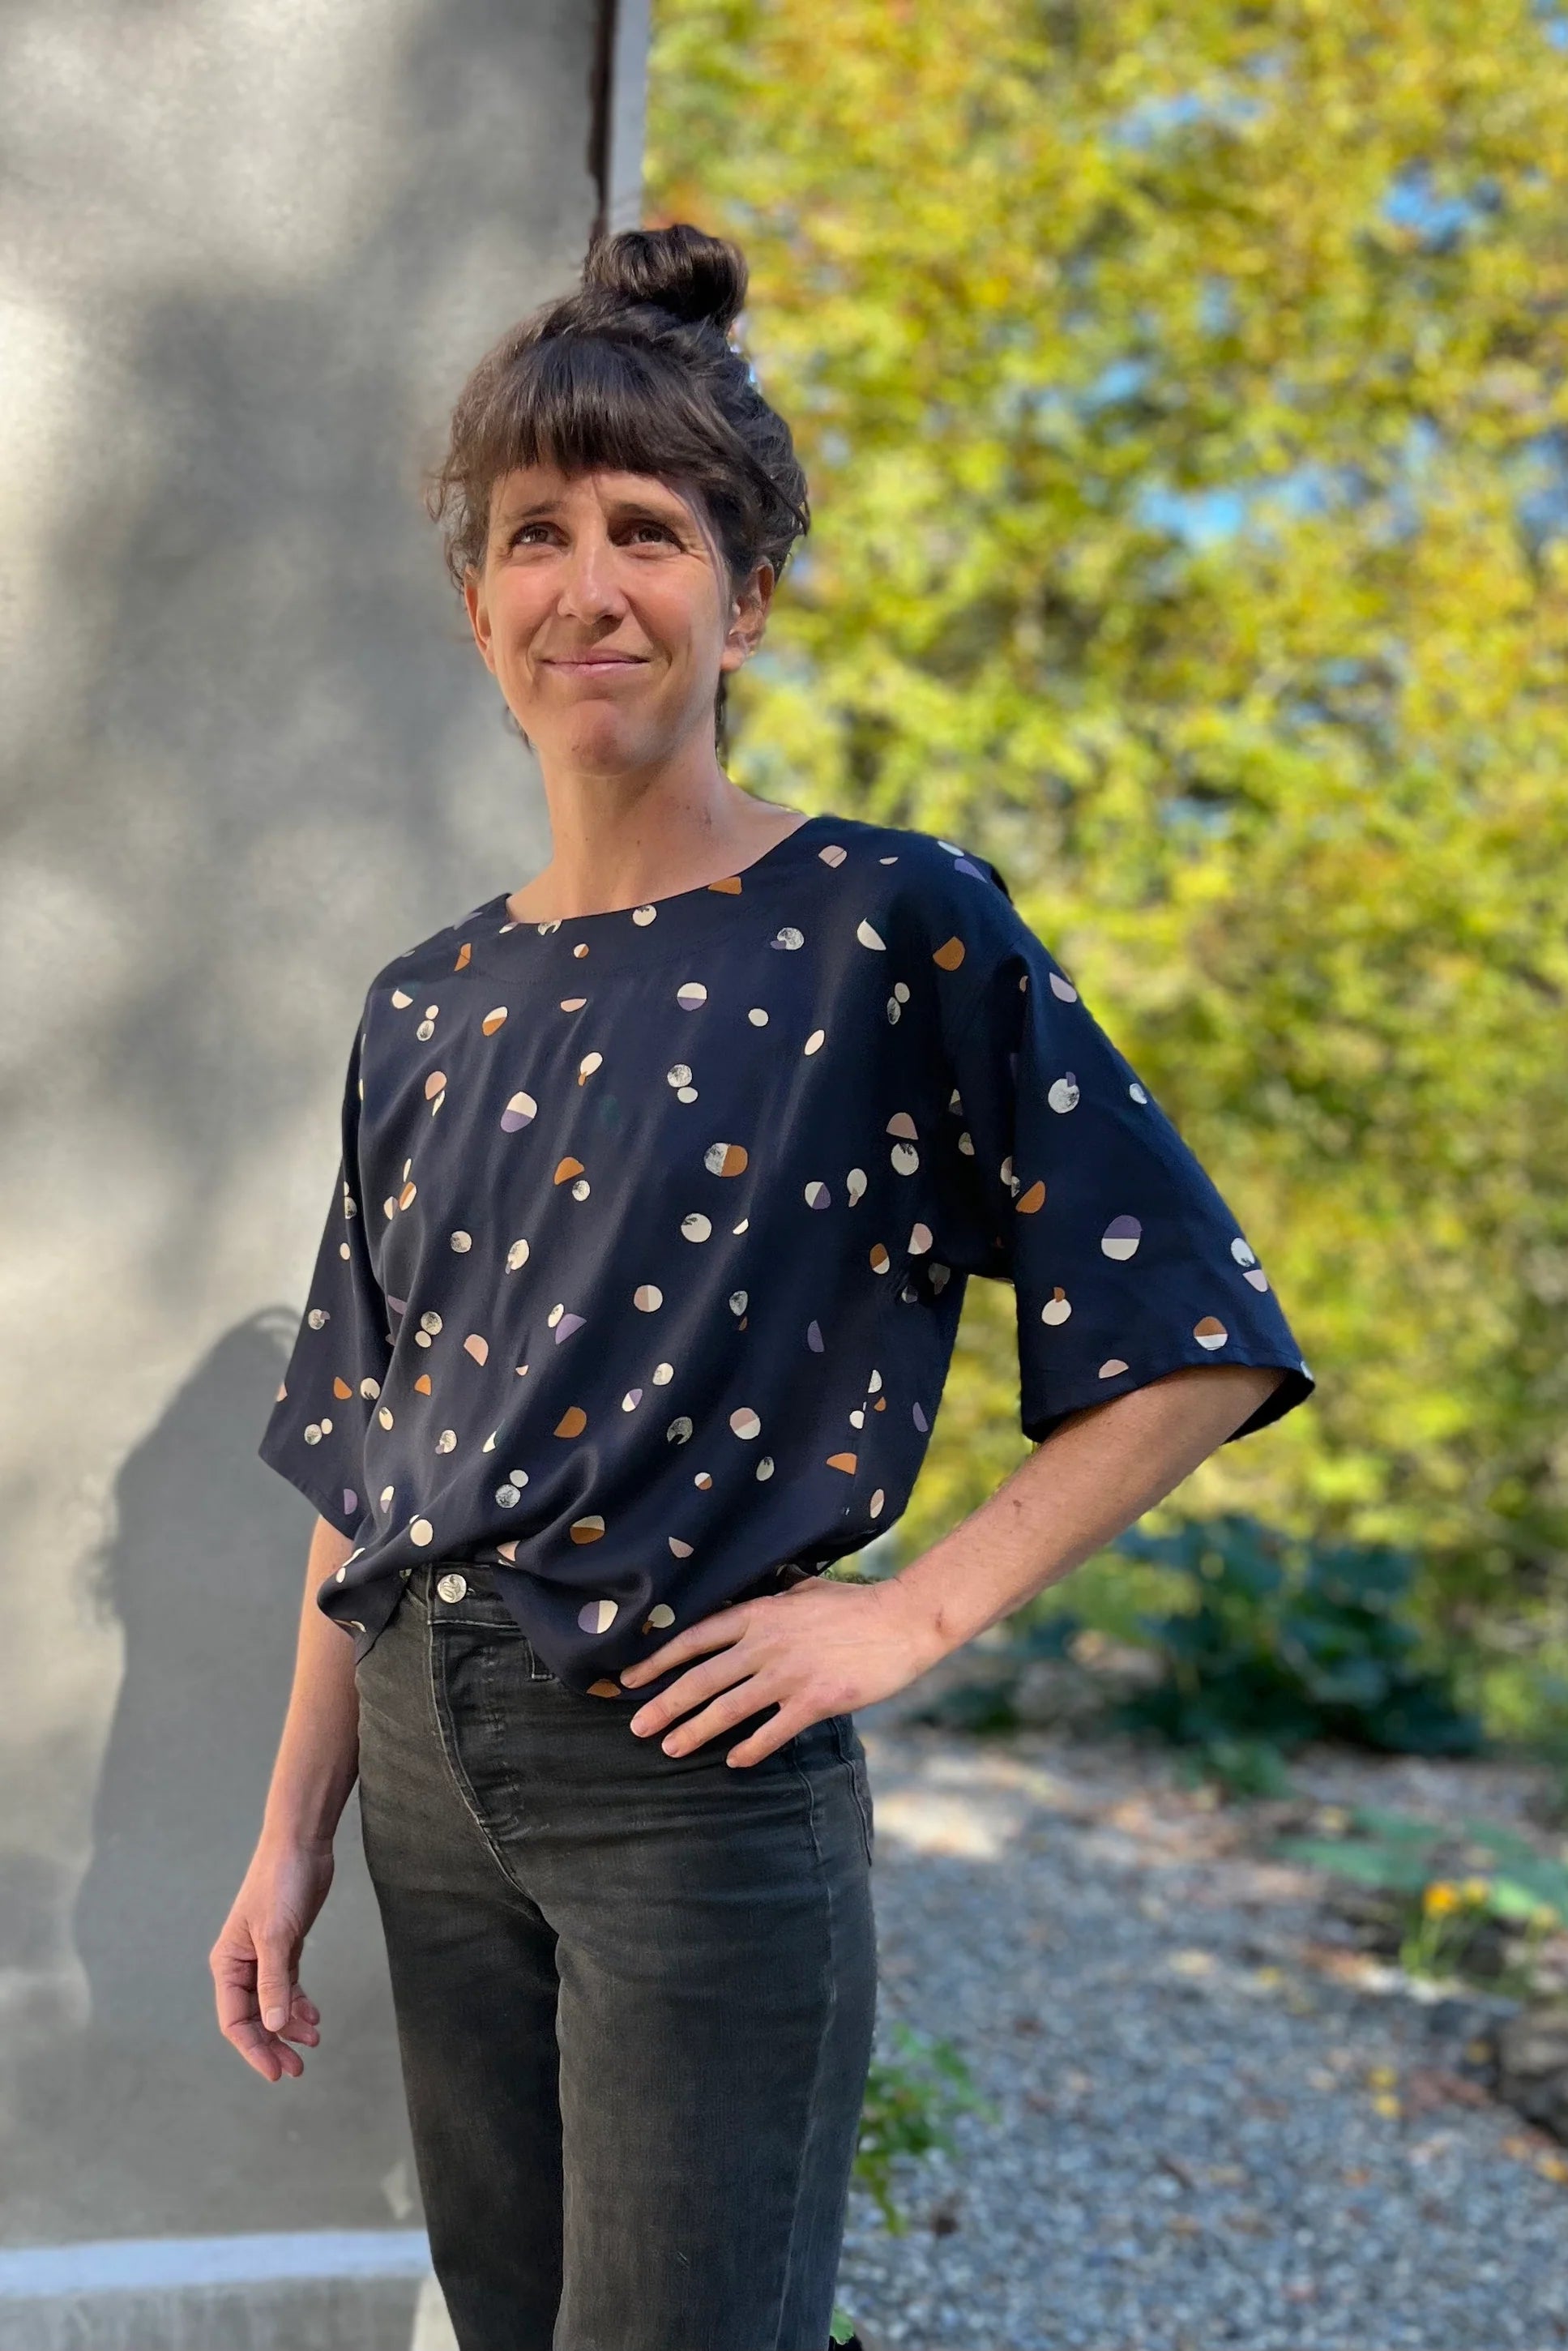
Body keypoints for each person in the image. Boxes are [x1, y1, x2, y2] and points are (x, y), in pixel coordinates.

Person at [210, 222, 1316, 2351]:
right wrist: (291, 1839)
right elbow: (367, 1449)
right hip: (433, 1781)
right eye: (536, 534)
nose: (587, 584)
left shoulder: (882, 927)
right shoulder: (425, 1002)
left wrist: (913, 1609)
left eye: (650, 528)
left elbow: (1191, 1324)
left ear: (749, 597)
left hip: (690, 1788)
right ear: (477, 609)